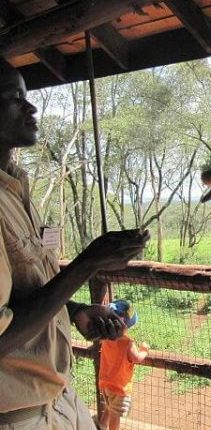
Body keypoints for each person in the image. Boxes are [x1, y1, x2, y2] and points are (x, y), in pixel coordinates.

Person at [0, 58, 150, 429]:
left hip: (59, 400)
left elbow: (23, 296)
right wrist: (88, 263)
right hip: (18, 417)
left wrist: (75, 310)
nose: (31, 107)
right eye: (15, 97)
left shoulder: (16, 189)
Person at [97, 299, 149, 430]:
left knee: (109, 406)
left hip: (105, 383)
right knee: (116, 415)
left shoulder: (106, 338)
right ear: (126, 325)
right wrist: (144, 350)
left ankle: (101, 425)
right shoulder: (127, 343)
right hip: (120, 387)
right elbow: (137, 358)